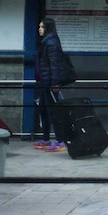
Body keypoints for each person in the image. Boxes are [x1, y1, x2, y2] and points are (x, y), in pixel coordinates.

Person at [34, 18, 68, 152]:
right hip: (44, 81)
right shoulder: (46, 41)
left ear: (48, 28)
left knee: (53, 112)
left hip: (50, 83)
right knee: (43, 110)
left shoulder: (51, 42)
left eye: (42, 27)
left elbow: (54, 64)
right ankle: (46, 139)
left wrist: (54, 83)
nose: (39, 29)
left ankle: (60, 141)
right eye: (39, 27)